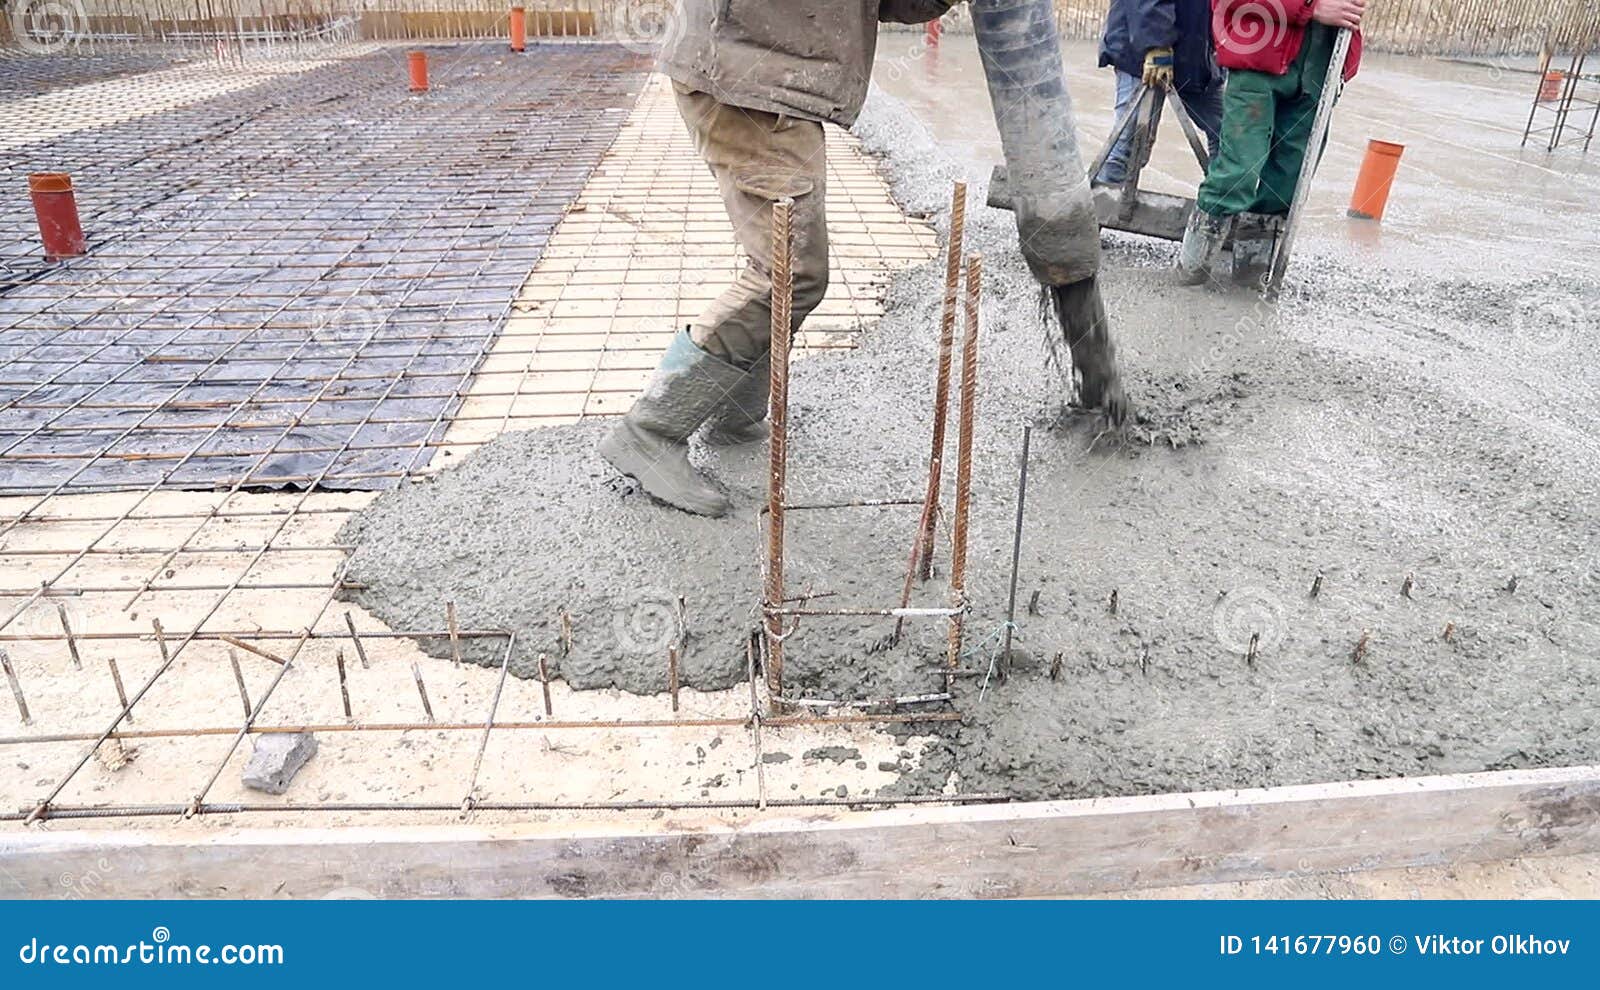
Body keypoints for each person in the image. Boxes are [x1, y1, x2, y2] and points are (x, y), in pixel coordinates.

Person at [599, 0, 960, 518]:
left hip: (773, 85)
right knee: (790, 273)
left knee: (792, 268)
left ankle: (733, 408)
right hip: (745, 79)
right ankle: (652, 429)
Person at [1177, 0, 1365, 284]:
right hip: (1259, 58)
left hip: (1321, 64)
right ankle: (1190, 275)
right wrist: (1309, 8)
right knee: (1237, 173)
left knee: (1287, 183)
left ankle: (1249, 283)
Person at [1095, 0, 1225, 187]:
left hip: (1196, 53)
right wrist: (1155, 44)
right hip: (1142, 50)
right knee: (1129, 144)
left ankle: (1219, 203)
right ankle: (1106, 204)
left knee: (1228, 135)